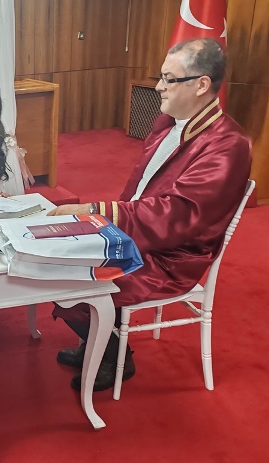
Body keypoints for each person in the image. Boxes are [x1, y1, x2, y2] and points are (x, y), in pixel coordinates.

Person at [48, 38, 251, 392]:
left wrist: (97, 213)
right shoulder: (169, 122)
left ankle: (113, 354)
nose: (158, 86)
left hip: (171, 255)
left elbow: (177, 216)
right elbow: (139, 192)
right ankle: (99, 338)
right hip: (140, 233)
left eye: (169, 79)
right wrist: (102, 224)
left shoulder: (227, 144)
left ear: (201, 84)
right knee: (51, 258)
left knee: (71, 276)